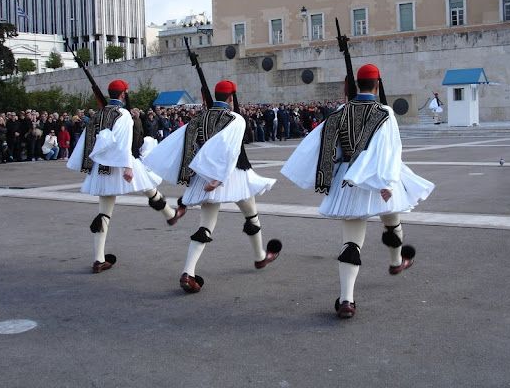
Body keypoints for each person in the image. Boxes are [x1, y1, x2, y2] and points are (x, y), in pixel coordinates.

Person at [281, 64, 435, 319]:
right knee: (392, 219)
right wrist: (387, 183)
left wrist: (324, 179)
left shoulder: (341, 111)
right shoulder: (384, 112)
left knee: (352, 241)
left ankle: (346, 299)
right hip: (377, 177)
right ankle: (396, 262)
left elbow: (324, 146)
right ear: (377, 85)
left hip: (348, 179)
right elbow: (390, 150)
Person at [143, 80, 281, 294]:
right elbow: (231, 150)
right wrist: (219, 178)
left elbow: (187, 147)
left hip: (204, 177)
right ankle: (259, 257)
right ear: (232, 98)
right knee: (251, 216)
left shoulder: (197, 118)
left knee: (205, 226)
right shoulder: (235, 119)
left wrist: (190, 176)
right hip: (233, 175)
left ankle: (188, 271)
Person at [66, 79, 187, 273]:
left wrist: (88, 165)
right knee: (148, 187)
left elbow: (88, 140)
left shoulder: (99, 113)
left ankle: (99, 259)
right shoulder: (122, 114)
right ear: (124, 94)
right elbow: (123, 142)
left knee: (105, 211)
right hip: (121, 162)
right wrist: (126, 166)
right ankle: (170, 215)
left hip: (102, 166)